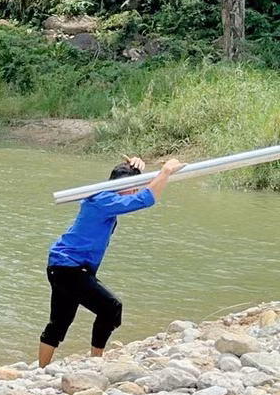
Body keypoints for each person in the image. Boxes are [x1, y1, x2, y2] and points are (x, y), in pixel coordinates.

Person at [39, 155, 185, 367]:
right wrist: (166, 171)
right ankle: (96, 363)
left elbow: (139, 192)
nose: (134, 192)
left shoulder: (103, 197)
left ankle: (41, 370)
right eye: (132, 187)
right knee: (111, 309)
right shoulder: (103, 200)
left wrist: (135, 163)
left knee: (60, 323)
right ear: (121, 185)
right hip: (69, 268)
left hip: (63, 266)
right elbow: (145, 199)